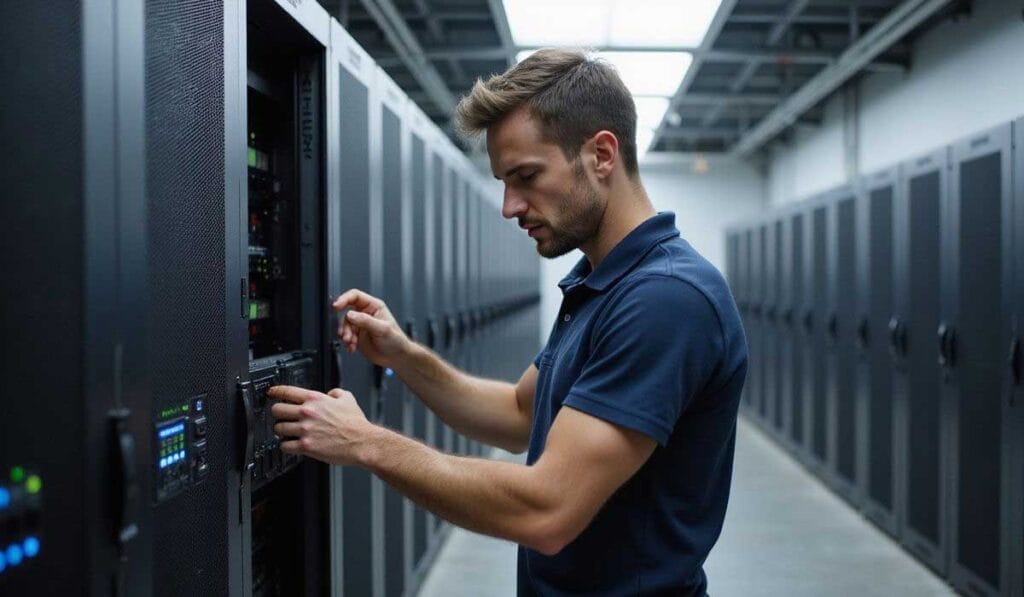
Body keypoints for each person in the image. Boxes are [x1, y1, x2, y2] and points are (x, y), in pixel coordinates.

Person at [268, 48, 748, 596]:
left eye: (525, 176)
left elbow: (547, 509)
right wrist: (404, 354)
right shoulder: (602, 282)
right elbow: (520, 413)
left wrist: (366, 443)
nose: (509, 206)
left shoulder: (665, 298)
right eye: (502, 181)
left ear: (602, 154)